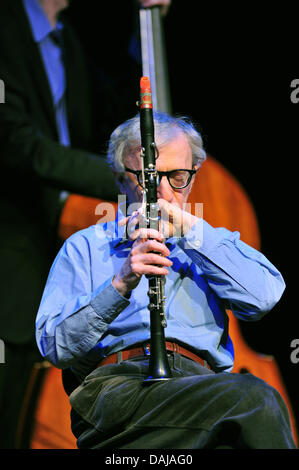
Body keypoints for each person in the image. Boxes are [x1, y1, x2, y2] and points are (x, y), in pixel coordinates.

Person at [36, 111, 296, 449]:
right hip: (119, 389)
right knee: (258, 401)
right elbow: (54, 345)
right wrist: (120, 284)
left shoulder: (208, 243)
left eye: (177, 177)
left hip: (204, 389)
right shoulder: (86, 246)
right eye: (148, 178)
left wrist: (192, 232)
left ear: (192, 178)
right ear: (119, 179)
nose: (162, 192)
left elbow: (265, 297)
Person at [0, 0, 169, 449]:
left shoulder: (69, 39)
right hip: (14, 255)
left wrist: (145, 32)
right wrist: (139, 177)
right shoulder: (7, 28)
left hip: (62, 244)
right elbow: (17, 144)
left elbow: (117, 114)